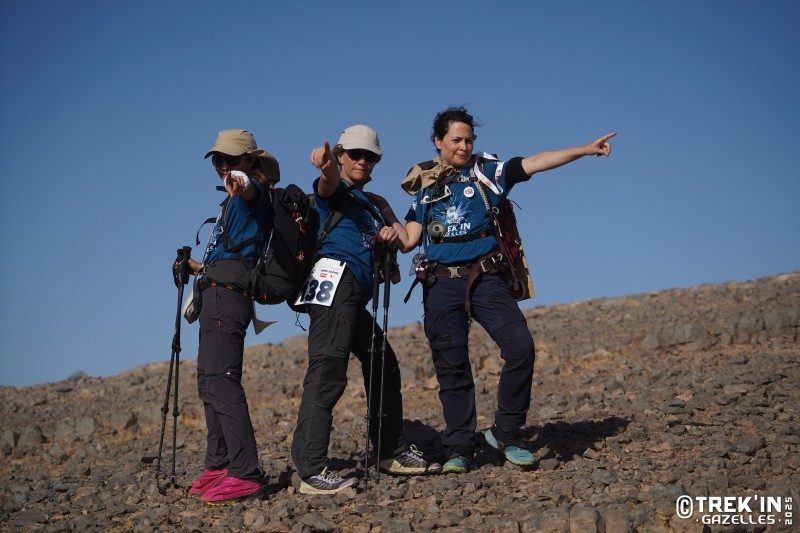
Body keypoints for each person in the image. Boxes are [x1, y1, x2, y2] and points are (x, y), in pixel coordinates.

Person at [396, 106, 616, 473]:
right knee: (452, 368)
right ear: (438, 141)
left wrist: (584, 149)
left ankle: (506, 433)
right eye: (456, 140)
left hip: (485, 279)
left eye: (469, 140)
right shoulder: (425, 184)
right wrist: (385, 221)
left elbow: (534, 162)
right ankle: (459, 447)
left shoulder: (487, 172)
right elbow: (408, 240)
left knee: (520, 347)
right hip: (440, 284)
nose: (464, 146)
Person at [291, 124, 441, 495]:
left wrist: (396, 210)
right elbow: (326, 182)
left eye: (369, 156)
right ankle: (310, 470)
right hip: (335, 285)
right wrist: (325, 166)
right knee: (328, 371)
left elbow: (406, 241)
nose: (362, 161)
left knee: (383, 363)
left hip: (355, 295)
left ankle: (389, 451)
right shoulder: (334, 190)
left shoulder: (372, 202)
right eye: (354, 154)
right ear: (340, 155)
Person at [181, 129, 280, 505]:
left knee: (222, 382)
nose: (223, 165)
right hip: (215, 293)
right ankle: (219, 464)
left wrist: (241, 181)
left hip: (227, 298)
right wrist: (195, 267)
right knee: (209, 383)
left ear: (250, 161)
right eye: (218, 160)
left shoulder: (254, 190)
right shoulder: (233, 202)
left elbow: (250, 189)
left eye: (231, 159)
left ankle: (245, 472)